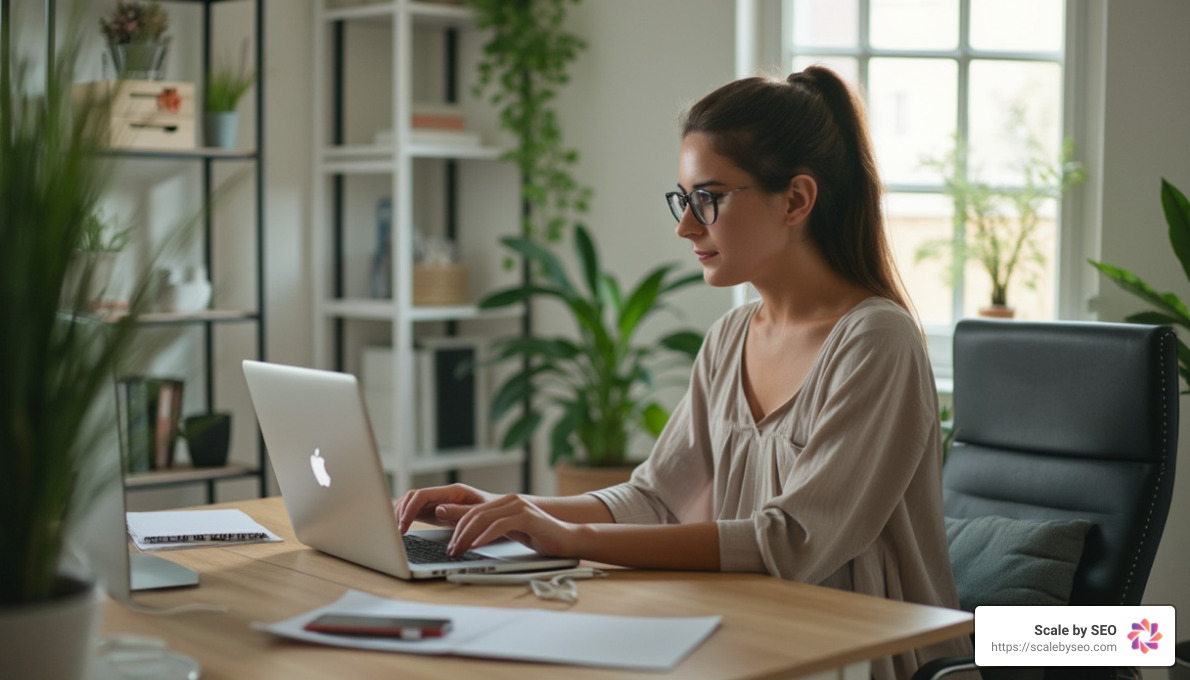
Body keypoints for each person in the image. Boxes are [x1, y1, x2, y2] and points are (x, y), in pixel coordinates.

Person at [396, 66, 973, 680]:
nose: (685, 226)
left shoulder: (875, 341)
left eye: (709, 199)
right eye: (684, 198)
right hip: (756, 635)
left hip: (859, 655)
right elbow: (653, 498)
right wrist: (511, 509)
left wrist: (566, 538)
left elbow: (793, 543)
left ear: (797, 199)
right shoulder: (730, 337)